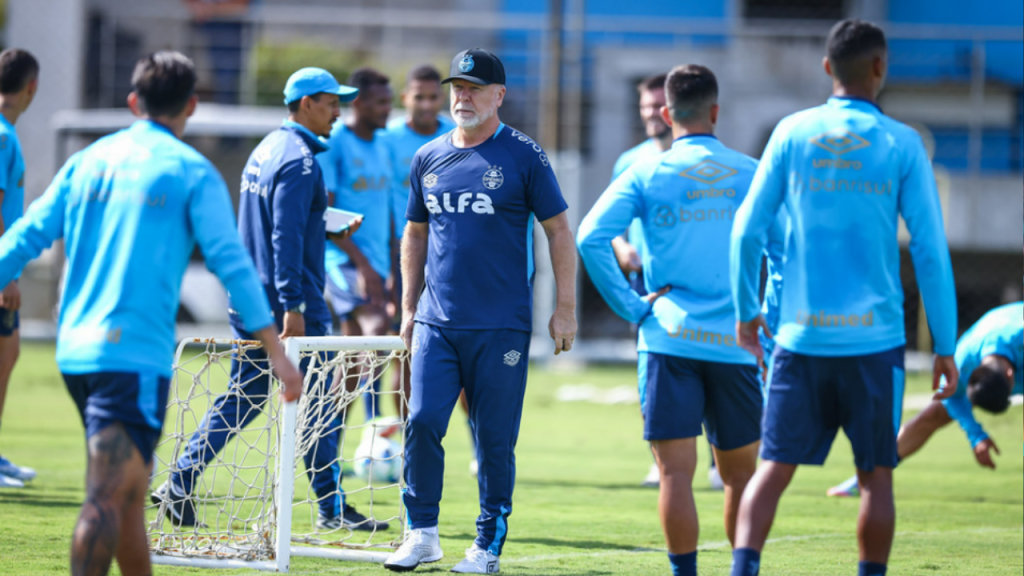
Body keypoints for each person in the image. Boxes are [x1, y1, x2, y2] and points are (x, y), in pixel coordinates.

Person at [0, 51, 303, 576]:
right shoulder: (191, 170)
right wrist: (276, 351)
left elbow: (25, 237)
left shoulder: (88, 160)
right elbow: (232, 264)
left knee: (130, 496)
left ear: (133, 101)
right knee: (105, 495)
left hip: (75, 352)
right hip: (130, 358)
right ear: (192, 103)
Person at [728, 20, 959, 576]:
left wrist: (746, 312)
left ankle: (742, 570)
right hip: (874, 342)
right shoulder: (904, 143)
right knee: (877, 475)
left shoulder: (790, 132)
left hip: (800, 338)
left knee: (773, 469)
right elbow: (929, 250)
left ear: (827, 68)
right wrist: (946, 344)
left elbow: (745, 231)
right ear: (880, 68)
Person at [157, 66, 387, 532]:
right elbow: (283, 238)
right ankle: (331, 509)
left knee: (244, 397)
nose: (338, 111)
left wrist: (327, 223)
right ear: (306, 104)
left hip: (249, 300)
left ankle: (179, 481)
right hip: (290, 303)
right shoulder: (301, 161)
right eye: (330, 102)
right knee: (319, 404)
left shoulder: (267, 150)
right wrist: (294, 308)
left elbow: (278, 223)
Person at [579, 65, 780, 576]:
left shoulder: (646, 172)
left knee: (674, 475)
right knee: (739, 478)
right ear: (716, 112)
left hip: (667, 338)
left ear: (666, 115)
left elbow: (590, 237)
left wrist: (632, 306)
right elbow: (786, 252)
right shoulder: (751, 170)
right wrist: (767, 319)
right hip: (737, 344)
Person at [384, 48, 577, 574]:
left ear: (499, 96)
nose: (462, 97)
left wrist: (564, 308)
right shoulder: (427, 157)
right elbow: (415, 232)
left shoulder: (524, 155)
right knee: (421, 421)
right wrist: (407, 307)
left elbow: (558, 229)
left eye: (473, 88)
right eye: (457, 87)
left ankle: (487, 547)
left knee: (494, 438)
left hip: (502, 327)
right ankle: (421, 533)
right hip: (436, 322)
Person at [828, 301, 1023, 496]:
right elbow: (948, 396)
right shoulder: (961, 360)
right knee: (933, 414)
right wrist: (976, 436)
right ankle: (866, 479)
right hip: (996, 343)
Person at [318, 67, 394, 423]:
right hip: (343, 259)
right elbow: (326, 214)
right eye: (380, 103)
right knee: (377, 326)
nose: (387, 110)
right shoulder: (336, 144)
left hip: (376, 264)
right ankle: (375, 428)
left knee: (350, 365)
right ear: (359, 103)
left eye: (389, 102)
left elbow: (390, 214)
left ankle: (322, 439)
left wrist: (390, 268)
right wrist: (363, 265)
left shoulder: (382, 145)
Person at [383, 64, 456, 417]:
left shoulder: (457, 136)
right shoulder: (388, 140)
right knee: (403, 355)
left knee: (461, 358)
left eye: (433, 97)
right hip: (400, 260)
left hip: (446, 262)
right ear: (405, 98)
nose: (427, 105)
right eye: (419, 97)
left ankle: (477, 445)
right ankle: (396, 438)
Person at [0, 48, 38, 489]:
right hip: (0, 272)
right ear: (32, 86)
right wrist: (6, 272)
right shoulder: (4, 137)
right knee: (3, 357)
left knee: (8, 355)